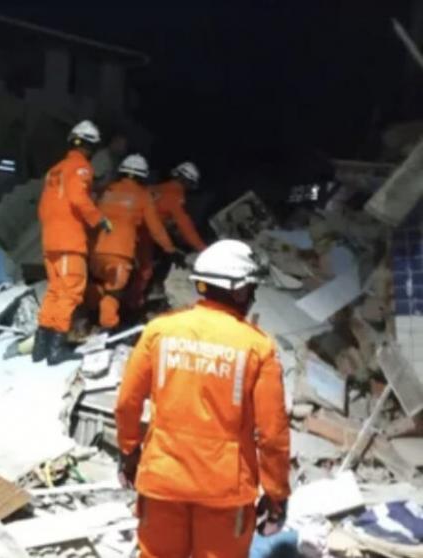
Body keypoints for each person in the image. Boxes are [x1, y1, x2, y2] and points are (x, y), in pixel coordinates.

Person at [114, 240, 290, 557]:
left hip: (162, 478)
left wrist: (129, 451)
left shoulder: (159, 331)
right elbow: (272, 433)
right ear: (238, 291)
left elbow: (127, 402)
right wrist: (276, 492)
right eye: (251, 288)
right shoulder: (257, 347)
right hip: (225, 490)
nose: (252, 296)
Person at [33, 120, 114, 365]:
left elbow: (45, 206)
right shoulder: (81, 168)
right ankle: (56, 350)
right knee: (70, 292)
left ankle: (41, 347)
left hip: (51, 241)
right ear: (90, 147)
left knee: (55, 291)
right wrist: (99, 220)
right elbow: (78, 198)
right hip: (69, 241)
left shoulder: (55, 170)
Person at [87, 154, 179, 330]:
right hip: (120, 253)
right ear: (143, 175)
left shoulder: (108, 191)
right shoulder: (143, 196)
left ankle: (91, 315)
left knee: (98, 284)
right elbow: (156, 228)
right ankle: (109, 328)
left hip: (96, 250)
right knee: (113, 292)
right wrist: (170, 248)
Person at [127, 161, 209, 313]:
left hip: (126, 229)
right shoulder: (176, 196)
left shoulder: (154, 188)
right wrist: (203, 249)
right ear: (189, 183)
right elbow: (186, 227)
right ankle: (133, 304)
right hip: (144, 233)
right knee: (145, 270)